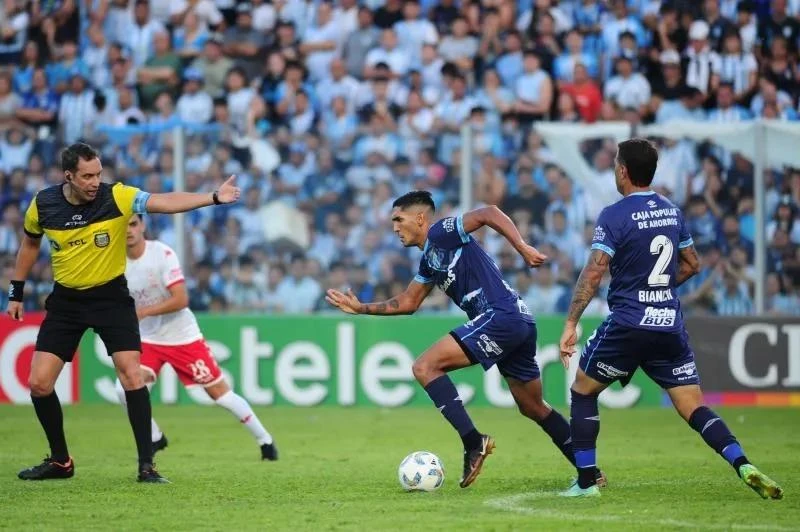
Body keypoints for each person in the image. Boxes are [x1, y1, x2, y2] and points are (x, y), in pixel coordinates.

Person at [326, 190, 606, 489]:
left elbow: (490, 213)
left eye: (399, 219)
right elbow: (408, 302)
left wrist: (522, 247)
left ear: (420, 218)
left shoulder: (441, 232)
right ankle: (590, 472)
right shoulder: (429, 261)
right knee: (533, 407)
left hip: (500, 315)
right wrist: (360, 308)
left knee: (425, 367)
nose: (394, 227)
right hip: (519, 319)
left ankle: (474, 442)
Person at [558, 138, 783, 500]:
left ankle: (586, 483)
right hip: (668, 324)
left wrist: (571, 323)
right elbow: (693, 264)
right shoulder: (672, 211)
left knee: (583, 392)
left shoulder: (613, 215)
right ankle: (742, 463)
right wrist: (657, 287)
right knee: (693, 405)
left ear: (622, 171)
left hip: (628, 322)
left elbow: (594, 273)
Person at [9, 142, 241, 483]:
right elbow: (29, 244)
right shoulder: (43, 204)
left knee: (132, 376)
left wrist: (212, 197)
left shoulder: (116, 197)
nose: (94, 182)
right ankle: (60, 462)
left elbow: (164, 201)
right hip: (66, 302)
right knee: (39, 384)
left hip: (111, 299)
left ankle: (147, 466)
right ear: (68, 175)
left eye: (98, 174)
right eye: (87, 176)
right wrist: (16, 292)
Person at [117, 214, 278, 460]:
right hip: (148, 338)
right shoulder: (114, 261)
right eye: (123, 225)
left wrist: (144, 312)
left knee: (221, 396)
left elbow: (181, 299)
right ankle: (155, 437)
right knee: (123, 389)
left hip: (182, 337)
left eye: (133, 224)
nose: (128, 230)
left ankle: (265, 440)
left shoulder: (162, 253)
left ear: (143, 225)